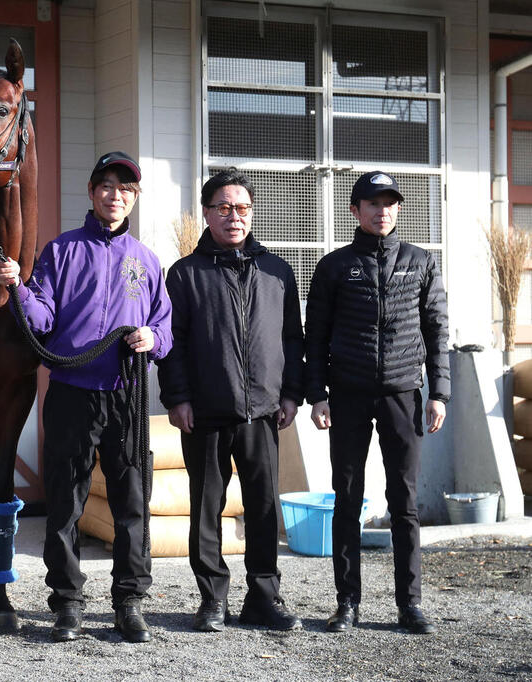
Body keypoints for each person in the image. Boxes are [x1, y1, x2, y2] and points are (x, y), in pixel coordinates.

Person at [0, 151, 172, 643]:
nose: (116, 195)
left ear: (134, 198)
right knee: (66, 502)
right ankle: (67, 602)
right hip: (73, 393)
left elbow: (165, 325)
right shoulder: (61, 252)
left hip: (127, 397)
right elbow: (43, 316)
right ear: (93, 193)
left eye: (126, 188)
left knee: (131, 503)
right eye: (108, 186)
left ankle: (129, 601)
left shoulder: (148, 260)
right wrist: (18, 290)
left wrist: (152, 339)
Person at [157, 168, 304, 632]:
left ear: (251, 213)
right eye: (223, 208)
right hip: (204, 413)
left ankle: (263, 597)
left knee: (263, 506)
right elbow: (172, 343)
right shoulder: (184, 274)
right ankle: (212, 599)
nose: (233, 217)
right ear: (206, 213)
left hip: (263, 410)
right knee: (206, 508)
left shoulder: (277, 271)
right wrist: (177, 398)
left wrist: (291, 394)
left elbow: (291, 340)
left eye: (242, 208)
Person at [304, 170, 450, 635]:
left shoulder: (421, 262)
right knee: (347, 499)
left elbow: (437, 331)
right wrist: (317, 395)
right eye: (371, 202)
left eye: (389, 202)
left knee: (403, 502)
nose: (381, 210)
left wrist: (439, 393)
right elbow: (316, 336)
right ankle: (347, 602)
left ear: (398, 209)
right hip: (346, 395)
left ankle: (410, 605)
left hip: (403, 394)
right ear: (355, 210)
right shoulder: (333, 266)